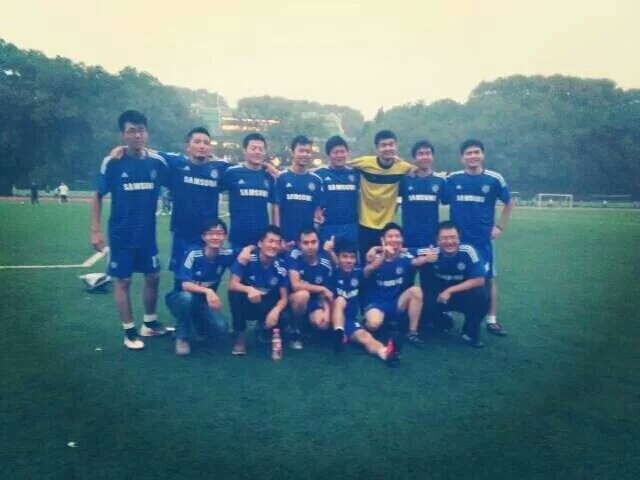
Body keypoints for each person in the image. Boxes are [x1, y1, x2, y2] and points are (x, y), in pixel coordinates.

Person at [92, 110, 168, 350]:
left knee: (153, 276)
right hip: (122, 235)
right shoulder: (113, 162)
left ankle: (149, 323)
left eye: (141, 130)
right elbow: (98, 195)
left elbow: (182, 165)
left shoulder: (157, 162)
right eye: (131, 131)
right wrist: (95, 230)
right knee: (123, 281)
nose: (137, 135)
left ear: (147, 133)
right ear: (123, 135)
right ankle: (129, 331)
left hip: (147, 235)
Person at [447, 139, 514, 336]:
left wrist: (500, 226)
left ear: (482, 155)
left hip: (482, 241)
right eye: (469, 153)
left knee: (487, 279)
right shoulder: (453, 179)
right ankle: (446, 313)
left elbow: (509, 202)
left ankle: (491, 320)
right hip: (456, 242)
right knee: (453, 276)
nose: (473, 156)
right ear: (462, 158)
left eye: (476, 152)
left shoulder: (494, 179)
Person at [398, 140, 448, 330]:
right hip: (408, 241)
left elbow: (451, 202)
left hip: (430, 242)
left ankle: (428, 319)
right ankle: (402, 319)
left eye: (428, 153)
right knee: (405, 282)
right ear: (414, 158)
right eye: (420, 154)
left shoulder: (440, 182)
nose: (424, 157)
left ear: (432, 157)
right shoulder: (405, 180)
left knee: (430, 284)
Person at [165, 219, 234, 356]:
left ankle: (196, 324)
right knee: (187, 298)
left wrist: (250, 249)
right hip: (179, 298)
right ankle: (182, 336)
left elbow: (247, 252)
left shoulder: (226, 254)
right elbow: (185, 285)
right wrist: (208, 291)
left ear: (225, 236)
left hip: (203, 302)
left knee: (221, 328)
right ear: (203, 237)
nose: (215, 237)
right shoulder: (193, 254)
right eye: (210, 233)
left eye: (219, 233)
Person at [328, 240, 399, 365]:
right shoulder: (333, 272)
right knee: (340, 300)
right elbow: (332, 259)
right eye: (345, 257)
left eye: (352, 257)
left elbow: (373, 266)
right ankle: (338, 334)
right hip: (331, 319)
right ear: (338, 258)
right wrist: (329, 250)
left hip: (349, 321)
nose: (348, 261)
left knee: (365, 337)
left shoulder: (358, 273)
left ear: (356, 260)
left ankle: (386, 353)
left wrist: (384, 254)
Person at [420, 222, 489, 348]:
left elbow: (480, 279)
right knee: (421, 292)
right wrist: (424, 259)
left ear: (459, 238)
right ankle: (438, 320)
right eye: (445, 238)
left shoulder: (468, 251)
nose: (449, 242)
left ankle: (470, 331)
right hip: (437, 296)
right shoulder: (431, 251)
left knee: (482, 293)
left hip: (462, 296)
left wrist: (450, 290)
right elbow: (406, 254)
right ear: (437, 241)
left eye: (453, 237)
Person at [362, 223, 432, 348]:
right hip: (377, 304)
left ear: (402, 239)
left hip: (398, 302)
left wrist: (427, 258)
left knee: (416, 290)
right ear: (383, 239)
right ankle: (375, 323)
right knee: (373, 324)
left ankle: (412, 333)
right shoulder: (373, 256)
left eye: (397, 236)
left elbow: (417, 260)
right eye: (390, 236)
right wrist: (382, 253)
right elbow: (367, 271)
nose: (394, 239)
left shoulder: (406, 255)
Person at [347, 130, 412, 257]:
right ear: (377, 148)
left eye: (391, 144)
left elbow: (416, 170)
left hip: (387, 226)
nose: (388, 148)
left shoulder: (402, 167)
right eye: (383, 145)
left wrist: (401, 160)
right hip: (365, 224)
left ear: (396, 146)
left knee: (387, 262)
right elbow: (342, 164)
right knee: (367, 262)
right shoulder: (365, 162)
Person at [228, 225, 289, 356]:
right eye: (270, 241)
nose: (274, 246)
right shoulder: (247, 258)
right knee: (235, 294)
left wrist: (276, 311)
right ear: (260, 243)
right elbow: (232, 284)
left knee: (284, 315)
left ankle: (265, 329)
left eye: (277, 242)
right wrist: (249, 289)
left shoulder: (281, 266)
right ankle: (240, 336)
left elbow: (284, 298)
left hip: (267, 303)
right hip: (248, 302)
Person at [222, 133, 277, 249]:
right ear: (244, 150)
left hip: (262, 239)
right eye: (253, 148)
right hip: (238, 238)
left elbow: (275, 204)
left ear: (265, 152)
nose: (257, 152)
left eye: (261, 149)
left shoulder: (268, 176)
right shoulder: (232, 173)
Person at [286, 228, 334, 350]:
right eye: (306, 243)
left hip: (315, 302)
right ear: (299, 244)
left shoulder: (325, 264)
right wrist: (321, 288)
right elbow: (295, 285)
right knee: (303, 295)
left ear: (319, 243)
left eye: (313, 242)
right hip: (292, 300)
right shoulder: (294, 256)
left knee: (322, 324)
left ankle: (307, 326)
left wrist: (327, 312)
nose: (310, 246)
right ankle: (295, 331)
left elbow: (326, 294)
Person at [273, 135, 324, 246]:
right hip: (286, 239)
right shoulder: (282, 178)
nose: (305, 154)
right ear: (292, 152)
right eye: (301, 151)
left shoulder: (316, 180)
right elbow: (276, 208)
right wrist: (278, 237)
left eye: (308, 151)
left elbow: (318, 211)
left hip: (307, 242)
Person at [314, 136, 359, 246]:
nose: (339, 155)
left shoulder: (355, 174)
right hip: (328, 227)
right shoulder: (319, 174)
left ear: (347, 153)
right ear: (329, 154)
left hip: (350, 227)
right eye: (335, 152)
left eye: (342, 152)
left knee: (349, 257)